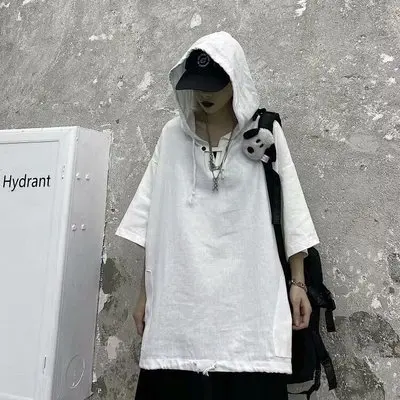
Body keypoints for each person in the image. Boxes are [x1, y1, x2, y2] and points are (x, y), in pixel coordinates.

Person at [116, 31, 319, 400]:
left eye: (214, 85)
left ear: (236, 80)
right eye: (197, 85)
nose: (203, 94)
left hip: (250, 304)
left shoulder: (264, 133)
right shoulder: (172, 136)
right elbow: (154, 220)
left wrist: (298, 281)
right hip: (181, 307)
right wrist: (145, 294)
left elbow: (291, 208)